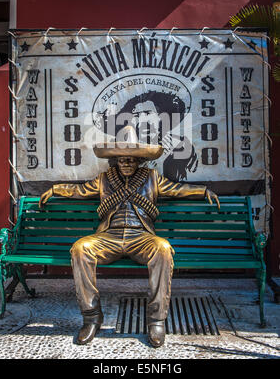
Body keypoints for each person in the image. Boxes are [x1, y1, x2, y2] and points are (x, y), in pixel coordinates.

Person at [39, 126, 220, 347]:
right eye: (122, 159)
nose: (126, 163)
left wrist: (202, 191)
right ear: (115, 160)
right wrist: (57, 189)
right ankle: (91, 317)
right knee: (81, 248)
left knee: (162, 249)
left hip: (141, 237)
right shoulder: (104, 179)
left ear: (139, 160)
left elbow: (177, 189)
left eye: (131, 159)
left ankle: (156, 319)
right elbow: (81, 190)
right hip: (109, 237)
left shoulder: (152, 177)